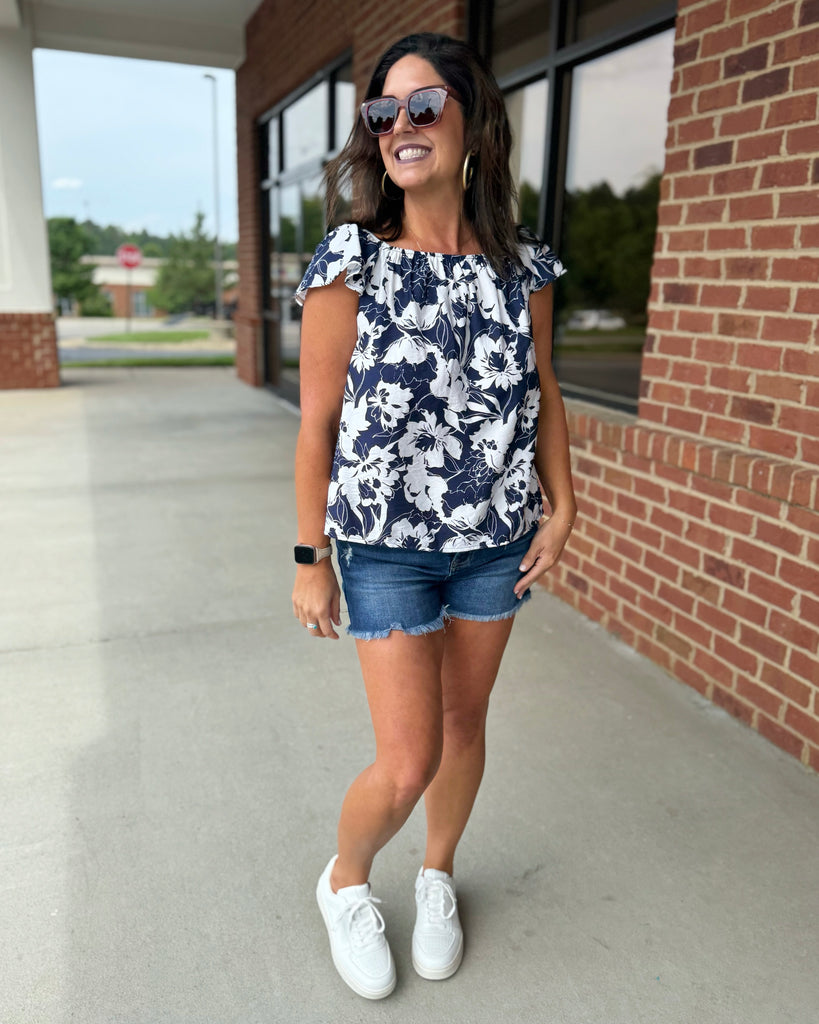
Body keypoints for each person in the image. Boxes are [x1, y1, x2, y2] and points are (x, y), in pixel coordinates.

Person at [291, 32, 576, 1000]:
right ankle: (345, 881)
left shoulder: (523, 267)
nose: (400, 125)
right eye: (383, 112)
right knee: (407, 759)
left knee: (465, 721)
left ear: (472, 121)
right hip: (385, 549)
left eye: (422, 105)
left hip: (495, 542)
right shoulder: (353, 259)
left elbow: (543, 391)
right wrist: (309, 556)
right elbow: (317, 421)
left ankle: (437, 874)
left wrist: (564, 505)